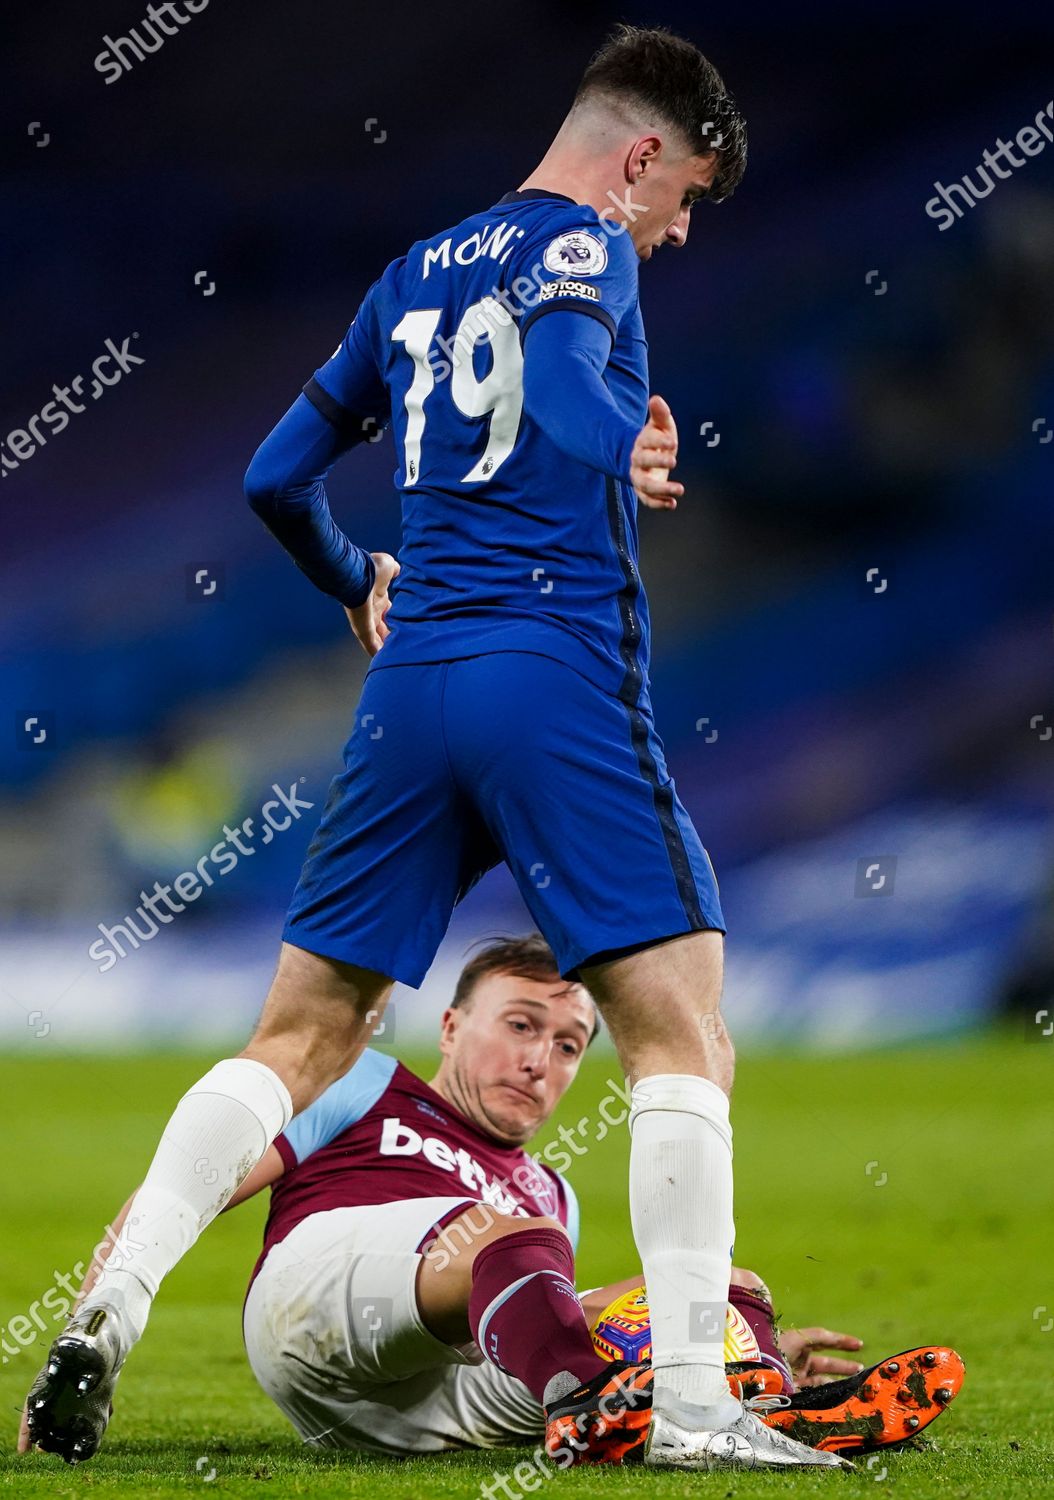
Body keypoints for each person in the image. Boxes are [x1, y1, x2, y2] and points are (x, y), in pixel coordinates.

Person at [24, 22, 835, 1470]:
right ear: (637, 154)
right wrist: (624, 448)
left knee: (297, 1036)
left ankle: (108, 1311)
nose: (681, 227)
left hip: (411, 688)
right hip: (549, 671)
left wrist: (357, 578)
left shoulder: (411, 269)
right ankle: (698, 1410)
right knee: (683, 1029)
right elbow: (574, 366)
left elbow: (278, 477)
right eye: (687, 194)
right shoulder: (590, 247)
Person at [21, 938, 963, 1465]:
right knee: (518, 1242)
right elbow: (180, 1196)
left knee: (722, 1288)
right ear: (451, 1024)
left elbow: (529, 1317)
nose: (539, 1060)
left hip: (425, 1408)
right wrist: (90, 1331)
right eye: (520, 1025)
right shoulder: (366, 1084)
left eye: (567, 1044)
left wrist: (716, 1333)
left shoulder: (547, 1191)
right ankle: (610, 1411)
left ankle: (752, 1393)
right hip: (315, 1310)